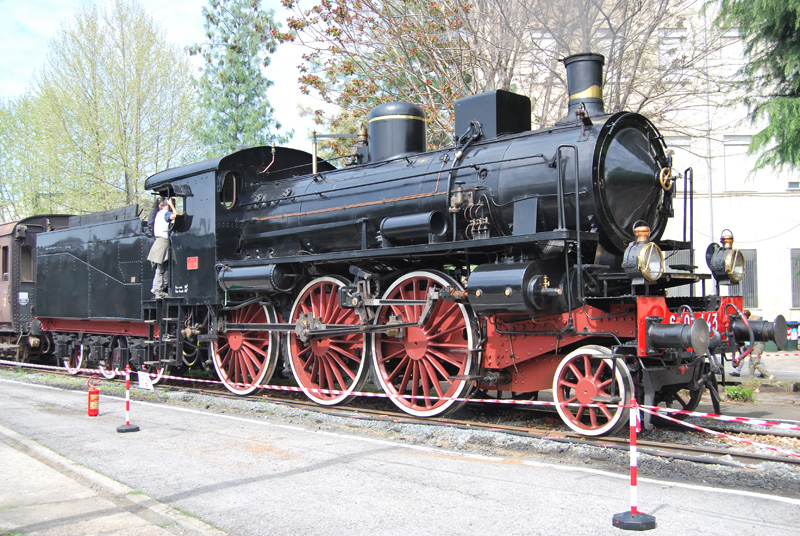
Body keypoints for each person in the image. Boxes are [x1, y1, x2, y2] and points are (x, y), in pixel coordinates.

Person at [146, 197, 177, 299]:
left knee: (162, 268)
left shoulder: (159, 214)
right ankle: (157, 290)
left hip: (159, 242)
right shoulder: (165, 213)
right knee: (160, 268)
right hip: (163, 242)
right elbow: (175, 215)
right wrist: (172, 205)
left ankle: (160, 288)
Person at [731, 310, 776, 380]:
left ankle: (769, 376)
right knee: (751, 363)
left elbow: (751, 340)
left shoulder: (753, 329)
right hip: (757, 345)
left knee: (755, 363)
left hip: (756, 346)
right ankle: (750, 379)